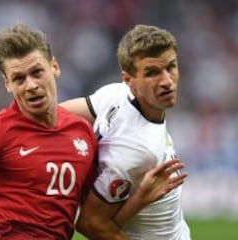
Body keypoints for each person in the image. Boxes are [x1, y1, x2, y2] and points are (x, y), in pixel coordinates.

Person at [0, 24, 186, 240]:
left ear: (54, 67)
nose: (31, 85)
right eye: (19, 78)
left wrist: (140, 199)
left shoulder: (81, 132)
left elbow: (92, 217)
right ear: (7, 85)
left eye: (37, 72)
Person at [61, 24, 191, 239]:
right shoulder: (137, 150)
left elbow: (55, 115)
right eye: (152, 73)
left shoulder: (116, 94)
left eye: (171, 67)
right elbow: (91, 224)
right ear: (129, 79)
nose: (167, 81)